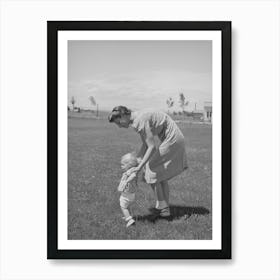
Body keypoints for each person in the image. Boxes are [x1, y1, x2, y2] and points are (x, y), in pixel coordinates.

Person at [109, 106, 188, 217]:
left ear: (124, 116)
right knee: (159, 175)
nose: (119, 126)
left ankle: (162, 206)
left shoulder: (139, 120)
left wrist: (139, 167)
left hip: (173, 139)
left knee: (150, 170)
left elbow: (151, 147)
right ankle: (165, 209)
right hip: (172, 138)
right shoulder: (137, 120)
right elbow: (146, 145)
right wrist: (136, 160)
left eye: (119, 122)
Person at [118, 152, 139, 227]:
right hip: (131, 194)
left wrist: (127, 181)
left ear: (129, 165)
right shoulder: (132, 170)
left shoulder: (131, 172)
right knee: (127, 206)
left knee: (123, 206)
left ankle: (129, 219)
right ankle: (127, 215)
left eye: (123, 165)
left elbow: (133, 176)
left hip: (127, 194)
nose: (121, 166)